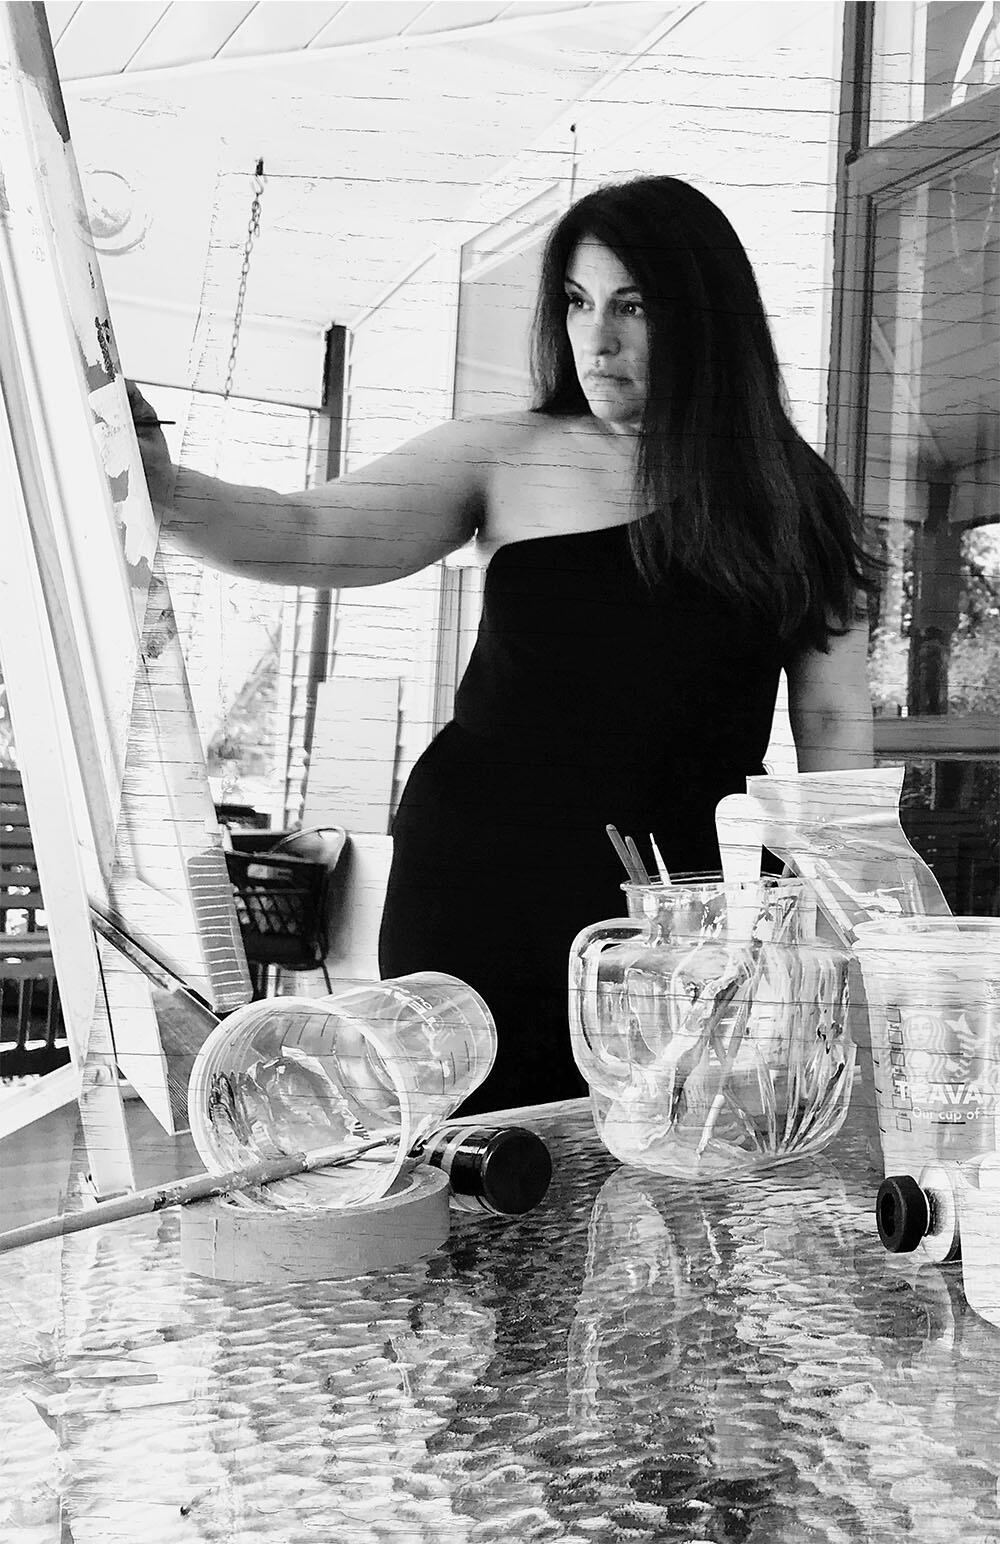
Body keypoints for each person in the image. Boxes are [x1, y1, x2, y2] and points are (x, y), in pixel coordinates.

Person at [130, 175, 879, 1116]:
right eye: (576, 301)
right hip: (480, 886)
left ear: (704, 316)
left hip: (690, 921)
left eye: (632, 305)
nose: (596, 339)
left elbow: (834, 725)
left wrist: (849, 928)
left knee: (681, 1166)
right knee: (480, 1163)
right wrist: (162, 488)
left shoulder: (797, 499)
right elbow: (308, 532)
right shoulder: (501, 454)